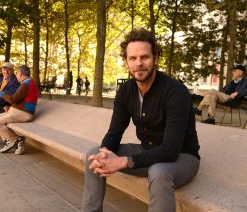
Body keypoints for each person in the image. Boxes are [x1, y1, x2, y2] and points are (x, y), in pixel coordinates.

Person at [81, 28, 200, 212]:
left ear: (156, 58)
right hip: (147, 151)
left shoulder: (175, 92)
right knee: (94, 154)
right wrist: (104, 153)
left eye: (144, 57)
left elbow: (170, 150)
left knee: (158, 172)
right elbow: (114, 133)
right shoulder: (126, 91)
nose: (139, 64)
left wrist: (124, 161)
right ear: (126, 62)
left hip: (181, 158)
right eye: (133, 58)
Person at [0, 65, 39, 155]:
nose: (16, 75)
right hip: (18, 111)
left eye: (17, 73)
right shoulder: (28, 82)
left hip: (24, 114)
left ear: (21, 73)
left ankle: (12, 141)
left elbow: (12, 99)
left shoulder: (26, 84)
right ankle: (17, 140)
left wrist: (1, 93)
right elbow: (21, 100)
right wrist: (11, 107)